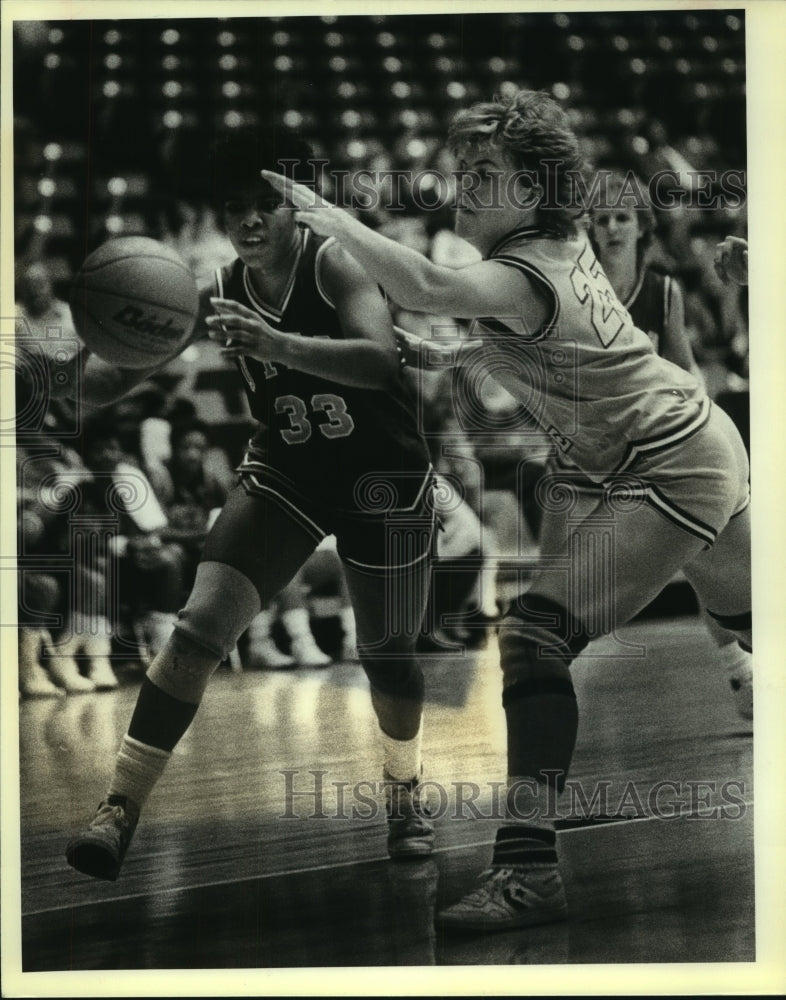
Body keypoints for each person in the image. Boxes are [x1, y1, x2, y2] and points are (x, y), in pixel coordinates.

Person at [262, 88, 752, 931]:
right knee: (752, 617)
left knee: (532, 637)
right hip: (689, 445)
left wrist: (326, 216)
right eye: (464, 174)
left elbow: (423, 279)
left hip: (667, 466)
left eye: (487, 175)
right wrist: (445, 349)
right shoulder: (556, 242)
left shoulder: (523, 265)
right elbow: (524, 328)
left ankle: (529, 872)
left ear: (533, 188)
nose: (466, 190)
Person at [64, 125, 436, 881]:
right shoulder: (214, 292)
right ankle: (120, 806)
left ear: (296, 204)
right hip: (289, 471)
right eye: (233, 207)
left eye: (264, 204)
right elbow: (102, 384)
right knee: (200, 627)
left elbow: (380, 364)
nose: (249, 221)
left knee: (388, 657)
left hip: (382, 478)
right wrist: (55, 367)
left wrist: (280, 346)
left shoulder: (337, 266)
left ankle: (404, 788)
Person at [577, 173, 753, 719]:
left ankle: (738, 670)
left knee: (708, 553)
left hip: (666, 442)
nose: (609, 227)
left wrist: (703, 430)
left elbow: (684, 369)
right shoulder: (578, 290)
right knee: (576, 584)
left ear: (641, 225)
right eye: (601, 218)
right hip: (601, 447)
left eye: (621, 217)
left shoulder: (663, 289)